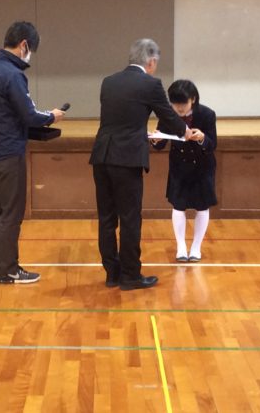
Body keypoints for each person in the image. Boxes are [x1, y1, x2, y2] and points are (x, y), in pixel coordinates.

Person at [90, 38, 190, 291]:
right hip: (127, 159)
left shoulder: (109, 82)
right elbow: (168, 115)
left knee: (107, 218)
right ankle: (131, 275)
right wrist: (185, 131)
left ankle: (112, 274)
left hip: (102, 155)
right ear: (151, 61)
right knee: (130, 218)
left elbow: (119, 119)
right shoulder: (150, 84)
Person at [0, 21, 66, 284]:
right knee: (11, 213)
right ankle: (9, 269)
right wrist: (52, 116)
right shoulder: (13, 75)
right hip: (8, 153)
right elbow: (29, 114)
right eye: (31, 51)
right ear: (24, 45)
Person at [151, 80, 217, 262]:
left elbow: (213, 144)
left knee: (202, 206)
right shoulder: (168, 115)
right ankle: (181, 247)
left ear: (193, 99)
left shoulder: (207, 114)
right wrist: (156, 140)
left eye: (183, 103)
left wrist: (202, 138)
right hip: (179, 166)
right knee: (178, 205)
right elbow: (160, 143)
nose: (179, 108)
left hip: (202, 166)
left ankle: (196, 247)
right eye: (175, 103)